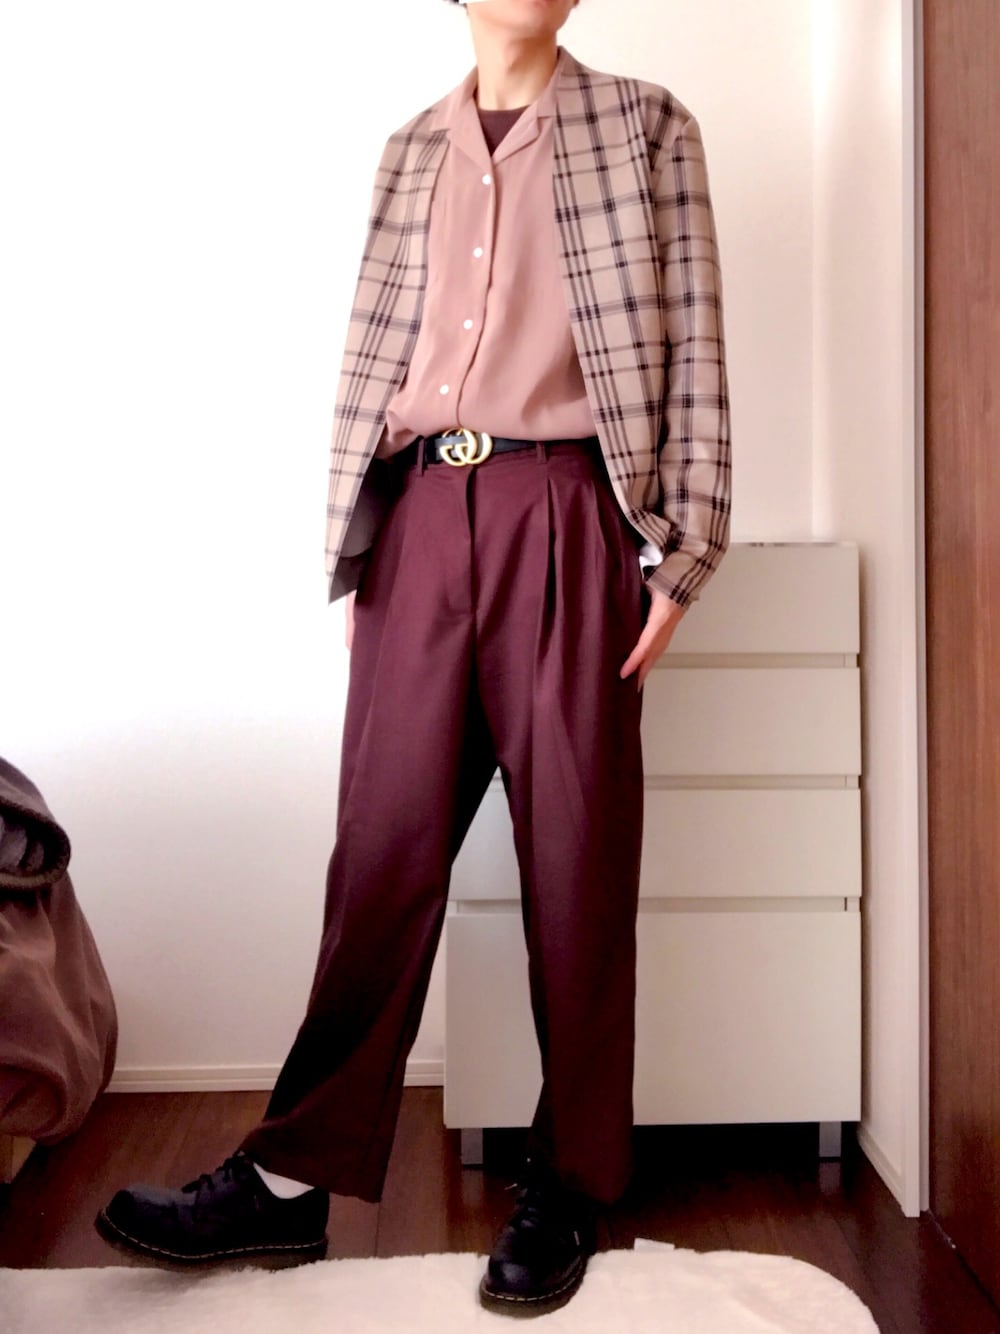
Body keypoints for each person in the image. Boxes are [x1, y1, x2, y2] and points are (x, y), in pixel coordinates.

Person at [95, 0, 731, 1316]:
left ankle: (573, 1179)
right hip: (420, 521)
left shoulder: (648, 128)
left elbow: (700, 353)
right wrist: (357, 545)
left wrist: (685, 553)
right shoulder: (409, 150)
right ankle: (290, 1182)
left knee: (578, 866)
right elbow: (368, 356)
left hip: (568, 512)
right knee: (379, 856)